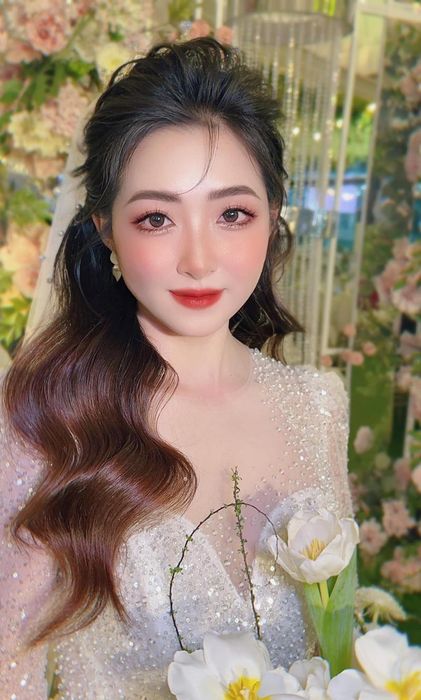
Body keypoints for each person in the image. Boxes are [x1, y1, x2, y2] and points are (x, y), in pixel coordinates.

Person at [0, 37, 352, 699]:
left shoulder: (317, 406)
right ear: (106, 228)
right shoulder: (46, 419)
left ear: (273, 217)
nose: (198, 259)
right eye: (157, 218)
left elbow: (334, 649)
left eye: (232, 214)